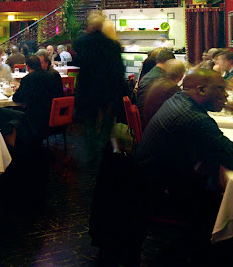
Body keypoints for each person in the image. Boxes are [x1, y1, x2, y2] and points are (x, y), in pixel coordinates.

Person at [134, 69, 233, 252]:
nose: (225, 95)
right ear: (201, 90)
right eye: (220, 89)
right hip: (162, 191)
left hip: (152, 179)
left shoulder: (179, 99)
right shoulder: (193, 118)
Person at [73, 12, 126, 161]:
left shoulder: (82, 42)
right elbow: (119, 70)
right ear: (102, 26)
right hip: (107, 90)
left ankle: (91, 151)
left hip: (87, 90)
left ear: (90, 25)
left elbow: (78, 60)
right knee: (107, 122)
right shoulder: (113, 45)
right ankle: (102, 147)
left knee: (89, 122)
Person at [13, 55, 64, 141]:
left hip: (34, 118)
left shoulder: (27, 79)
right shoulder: (51, 76)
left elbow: (16, 99)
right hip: (52, 114)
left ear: (27, 67)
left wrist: (19, 90)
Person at [141, 59, 186, 129]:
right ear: (182, 76)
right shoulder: (173, 89)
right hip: (157, 129)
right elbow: (184, 114)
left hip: (149, 125)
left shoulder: (159, 82)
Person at [136, 49, 175, 118]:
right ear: (170, 63)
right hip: (149, 119)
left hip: (143, 115)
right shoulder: (161, 78)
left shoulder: (150, 74)